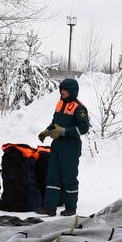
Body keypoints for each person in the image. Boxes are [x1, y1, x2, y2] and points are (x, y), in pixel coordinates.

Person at [37, 78, 91, 216]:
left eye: (65, 90)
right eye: (61, 89)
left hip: (71, 147)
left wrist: (63, 131)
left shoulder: (79, 108)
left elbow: (84, 128)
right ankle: (49, 207)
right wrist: (47, 131)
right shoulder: (60, 104)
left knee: (69, 178)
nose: (62, 92)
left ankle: (71, 208)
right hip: (57, 145)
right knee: (52, 176)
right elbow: (54, 122)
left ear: (71, 91)